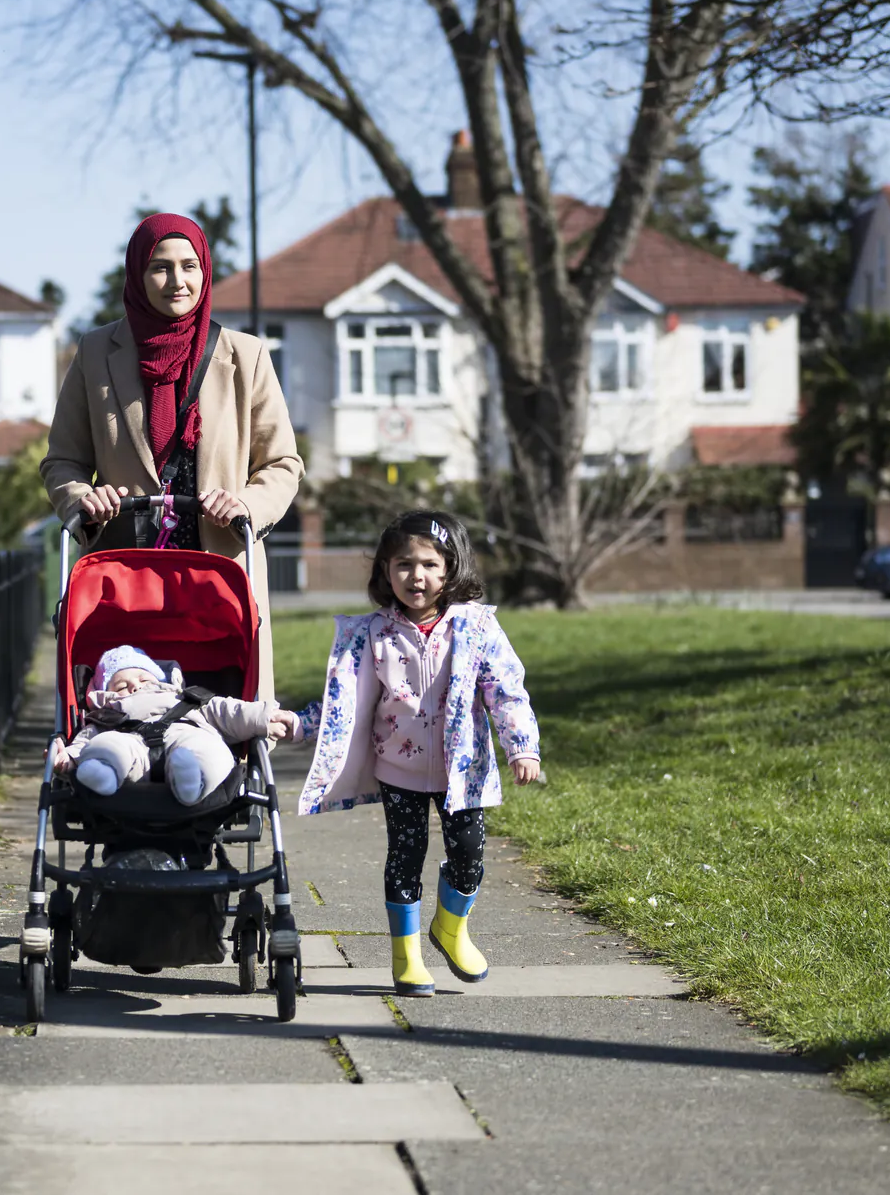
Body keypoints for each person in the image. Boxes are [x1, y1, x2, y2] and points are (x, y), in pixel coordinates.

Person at [281, 511, 543, 996]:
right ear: (385, 570)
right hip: (397, 769)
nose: (415, 576)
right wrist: (298, 724)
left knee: (468, 853)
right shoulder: (371, 634)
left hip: (462, 770)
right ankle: (406, 957)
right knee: (406, 855)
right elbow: (343, 700)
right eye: (403, 564)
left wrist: (522, 746)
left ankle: (450, 927)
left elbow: (505, 689)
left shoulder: (476, 627)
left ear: (450, 569)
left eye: (428, 564)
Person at [43, 213, 303, 696]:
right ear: (138, 274)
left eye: (189, 265)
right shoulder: (96, 351)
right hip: (125, 581)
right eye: (160, 267)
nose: (177, 281)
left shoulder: (245, 354)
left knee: (227, 724)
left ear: (205, 270)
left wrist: (247, 504)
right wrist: (83, 499)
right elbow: (63, 460)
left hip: (220, 580)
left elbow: (282, 463)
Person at [52, 646, 294, 805]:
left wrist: (265, 719)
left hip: (185, 732)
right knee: (107, 744)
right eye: (121, 686)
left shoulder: (188, 699)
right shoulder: (106, 713)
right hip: (129, 740)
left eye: (143, 678)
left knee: (207, 748)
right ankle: (103, 772)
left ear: (161, 679)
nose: (134, 686)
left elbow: (229, 711)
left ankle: (190, 777)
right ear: (105, 694)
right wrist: (70, 758)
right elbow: (86, 737)